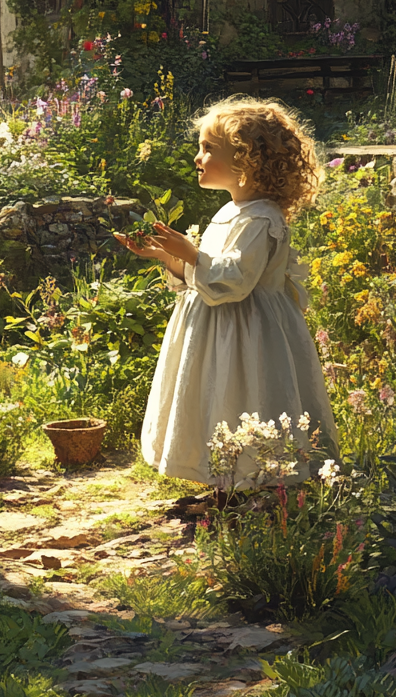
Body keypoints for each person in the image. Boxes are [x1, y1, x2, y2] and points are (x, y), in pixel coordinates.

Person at [115, 96, 337, 487]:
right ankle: (226, 476)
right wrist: (170, 257)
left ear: (245, 161)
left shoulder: (262, 218)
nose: (197, 158)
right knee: (217, 395)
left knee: (249, 393)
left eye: (206, 149)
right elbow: (207, 275)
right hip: (218, 328)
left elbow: (233, 281)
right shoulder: (230, 211)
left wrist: (189, 251)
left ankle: (260, 480)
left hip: (249, 331)